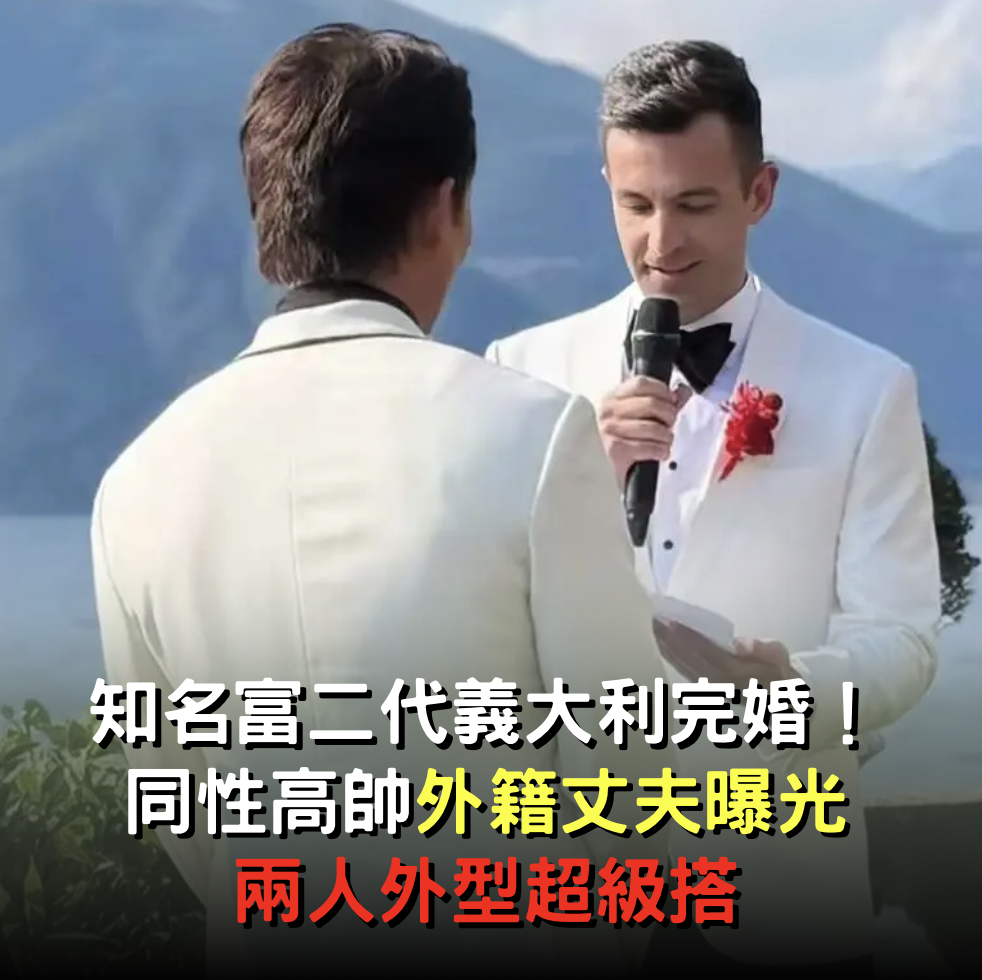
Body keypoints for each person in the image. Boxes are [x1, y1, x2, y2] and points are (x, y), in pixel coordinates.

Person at [91, 24, 666, 976]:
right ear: (448, 207)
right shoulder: (536, 433)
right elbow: (628, 779)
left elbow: (170, 798)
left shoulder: (137, 481)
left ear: (269, 222)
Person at [486, 39, 942, 973]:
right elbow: (484, 618)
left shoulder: (866, 387)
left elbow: (904, 639)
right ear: (606, 188)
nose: (662, 243)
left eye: (694, 205)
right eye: (636, 205)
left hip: (782, 880)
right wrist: (576, 485)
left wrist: (791, 691)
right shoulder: (521, 373)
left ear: (759, 193)